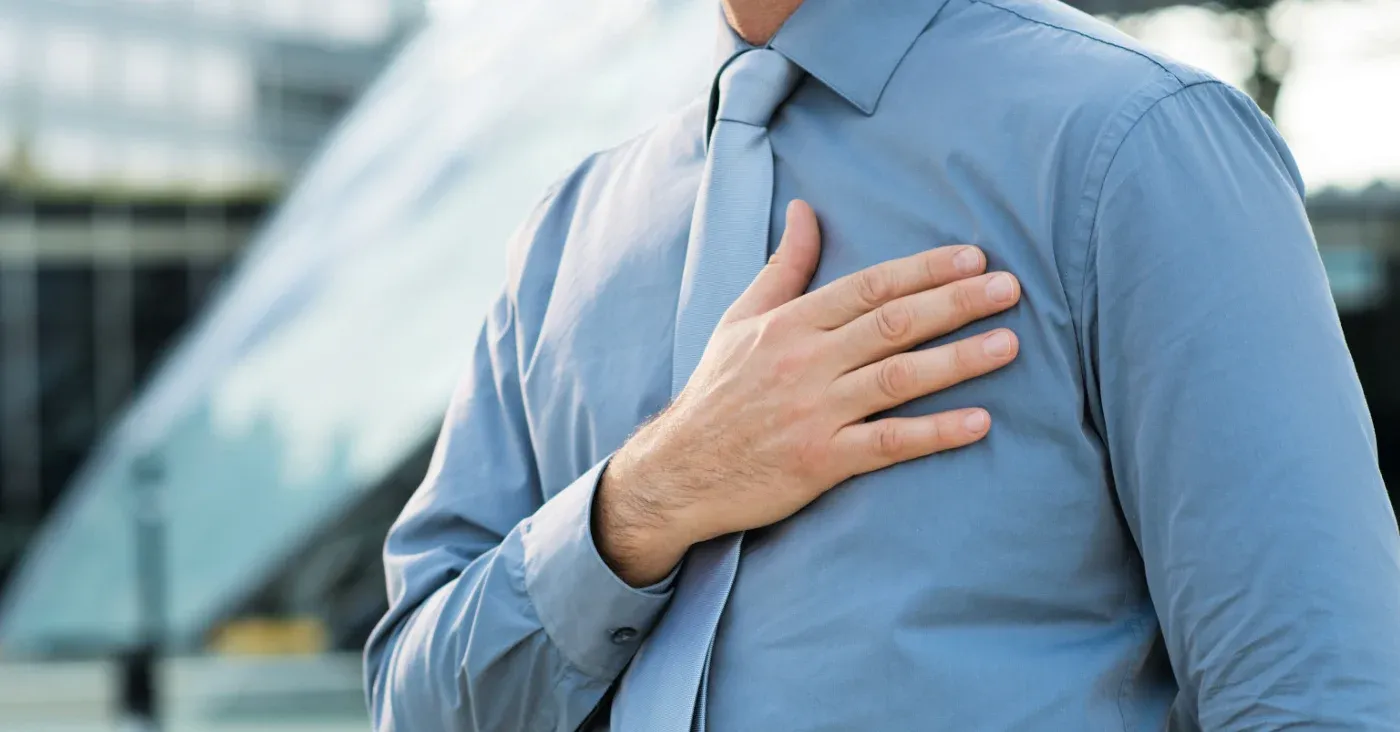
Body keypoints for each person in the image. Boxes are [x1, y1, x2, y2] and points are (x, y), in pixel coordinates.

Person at [365, 0, 1400, 729]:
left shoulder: (1134, 145)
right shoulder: (564, 236)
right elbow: (417, 704)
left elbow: (1314, 693)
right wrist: (644, 498)